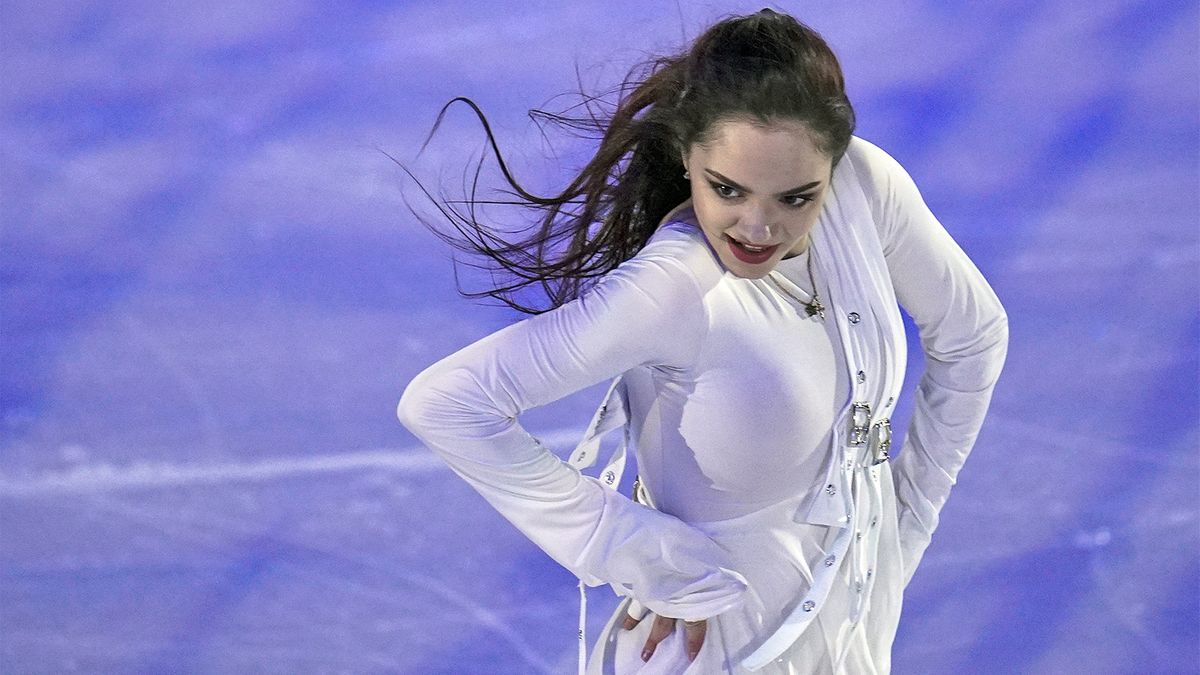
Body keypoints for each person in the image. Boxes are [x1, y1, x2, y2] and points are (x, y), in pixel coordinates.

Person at [396, 8, 1008, 674]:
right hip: (711, 651)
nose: (758, 227)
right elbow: (447, 403)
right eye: (728, 190)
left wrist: (907, 519)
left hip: (854, 641)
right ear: (688, 156)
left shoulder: (864, 190)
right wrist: (634, 549)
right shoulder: (672, 287)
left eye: (796, 198)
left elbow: (974, 335)